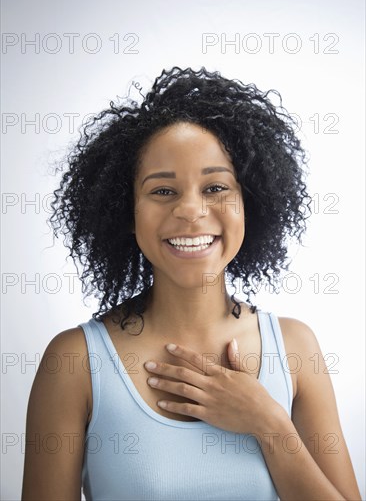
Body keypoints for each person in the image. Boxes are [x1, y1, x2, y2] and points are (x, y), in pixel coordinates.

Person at [21, 67, 361, 500]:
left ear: (250, 203)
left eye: (215, 187)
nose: (190, 211)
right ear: (126, 211)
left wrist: (268, 422)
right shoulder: (73, 362)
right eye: (163, 191)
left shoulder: (296, 348)